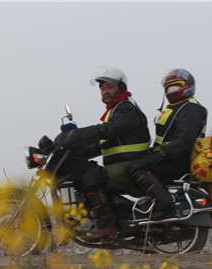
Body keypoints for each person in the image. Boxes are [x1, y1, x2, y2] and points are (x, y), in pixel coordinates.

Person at [54, 66, 150, 238]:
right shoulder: (115, 110)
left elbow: (108, 130)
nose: (105, 91)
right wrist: (72, 149)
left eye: (110, 87)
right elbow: (102, 144)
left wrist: (75, 135)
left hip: (131, 165)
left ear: (120, 87)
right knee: (83, 171)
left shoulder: (126, 108)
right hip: (123, 164)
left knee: (91, 177)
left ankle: (107, 225)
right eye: (102, 88)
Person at [129, 68, 208, 219]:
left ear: (188, 86)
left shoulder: (191, 108)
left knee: (137, 167)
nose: (172, 90)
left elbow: (185, 139)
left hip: (179, 159)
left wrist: (162, 154)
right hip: (169, 156)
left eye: (177, 86)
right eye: (169, 87)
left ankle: (165, 205)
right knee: (133, 163)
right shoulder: (175, 108)